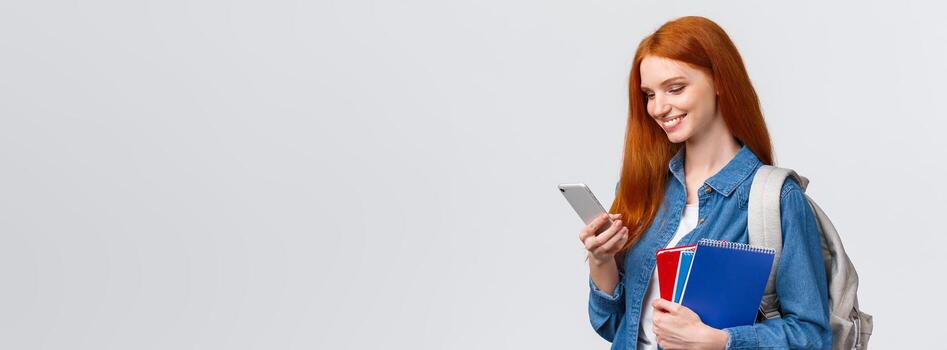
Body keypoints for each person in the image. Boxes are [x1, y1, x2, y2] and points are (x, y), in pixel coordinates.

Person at [579, 16, 832, 350]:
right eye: (649, 94)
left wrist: (721, 341)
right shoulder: (645, 190)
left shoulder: (776, 199)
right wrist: (602, 261)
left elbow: (812, 337)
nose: (658, 107)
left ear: (719, 81)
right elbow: (615, 327)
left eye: (675, 88)